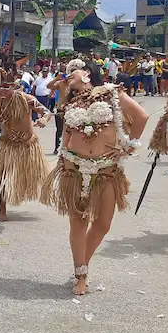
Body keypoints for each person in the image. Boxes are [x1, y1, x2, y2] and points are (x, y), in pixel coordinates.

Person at [41, 60, 149, 295]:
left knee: (103, 223)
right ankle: (81, 274)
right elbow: (66, 133)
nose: (69, 75)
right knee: (77, 222)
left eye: (73, 71)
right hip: (74, 170)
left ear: (88, 73)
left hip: (106, 171)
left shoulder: (112, 94)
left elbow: (141, 117)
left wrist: (129, 146)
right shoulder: (71, 101)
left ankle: (83, 263)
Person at [0, 47, 52, 221]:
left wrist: (43, 119)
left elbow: (46, 112)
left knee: (34, 178)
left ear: (14, 85)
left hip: (28, 145)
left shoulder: (26, 99)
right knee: (3, 177)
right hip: (8, 145)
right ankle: (2, 210)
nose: (2, 91)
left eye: (6, 87)